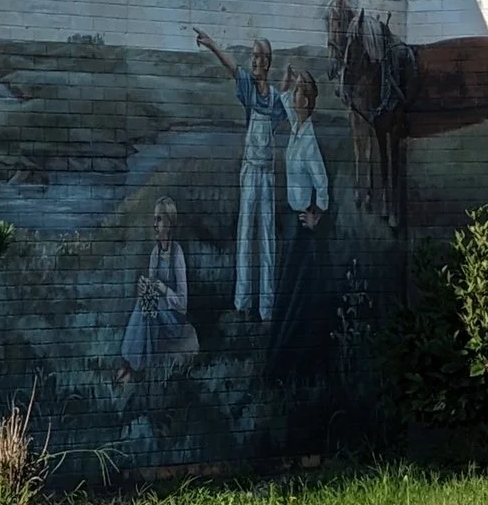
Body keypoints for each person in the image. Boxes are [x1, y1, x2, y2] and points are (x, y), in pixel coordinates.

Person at [195, 27, 290, 322]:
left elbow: (283, 111)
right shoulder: (247, 86)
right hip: (250, 171)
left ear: (268, 62)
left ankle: (266, 307)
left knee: (267, 239)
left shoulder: (274, 98)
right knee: (245, 233)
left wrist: (288, 84)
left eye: (261, 57)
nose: (256, 61)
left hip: (267, 175)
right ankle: (243, 302)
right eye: (254, 55)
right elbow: (231, 66)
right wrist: (212, 44)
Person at [264, 65, 333, 395]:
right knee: (289, 291)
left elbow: (323, 184)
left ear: (311, 102)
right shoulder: (296, 128)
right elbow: (282, 101)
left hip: (303, 228)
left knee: (297, 296)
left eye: (304, 94)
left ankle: (288, 368)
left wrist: (316, 216)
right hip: (293, 224)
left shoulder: (309, 142)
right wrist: (286, 85)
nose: (298, 98)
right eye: (298, 93)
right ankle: (281, 366)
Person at [118, 198, 199, 393]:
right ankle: (133, 365)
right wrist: (146, 287)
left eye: (159, 219)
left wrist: (162, 289)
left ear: (170, 223)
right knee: (144, 305)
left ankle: (132, 366)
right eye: (154, 219)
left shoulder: (177, 254)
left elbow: (182, 303)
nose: (155, 224)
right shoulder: (155, 252)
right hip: (159, 315)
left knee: (150, 306)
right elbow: (151, 291)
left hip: (175, 320)